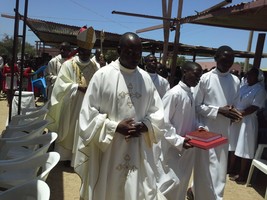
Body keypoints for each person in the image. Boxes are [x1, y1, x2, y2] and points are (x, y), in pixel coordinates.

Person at [74, 32, 173, 200]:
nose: (134, 56)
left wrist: (145, 126)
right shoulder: (102, 76)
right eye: (129, 51)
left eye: (138, 52)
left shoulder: (145, 79)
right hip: (109, 148)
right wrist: (115, 127)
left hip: (137, 146)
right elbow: (87, 115)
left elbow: (157, 112)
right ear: (119, 50)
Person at [192, 45, 243, 200]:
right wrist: (218, 111)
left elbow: (234, 104)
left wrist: (234, 113)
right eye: (224, 59)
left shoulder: (235, 80)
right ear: (216, 58)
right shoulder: (205, 79)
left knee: (220, 170)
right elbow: (196, 106)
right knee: (205, 169)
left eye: (231, 60)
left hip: (224, 131)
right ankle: (199, 195)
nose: (227, 63)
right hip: (206, 130)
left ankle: (216, 197)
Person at [46, 26, 98, 166]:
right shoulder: (69, 64)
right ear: (78, 50)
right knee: (69, 129)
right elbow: (60, 84)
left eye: (88, 51)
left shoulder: (95, 66)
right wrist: (76, 86)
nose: (86, 54)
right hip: (72, 103)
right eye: (83, 51)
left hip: (88, 103)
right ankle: (66, 157)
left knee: (84, 129)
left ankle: (80, 158)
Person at [161, 61, 203, 200]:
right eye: (196, 75)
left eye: (199, 77)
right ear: (185, 72)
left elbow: (191, 118)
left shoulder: (190, 93)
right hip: (173, 148)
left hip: (188, 147)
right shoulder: (173, 94)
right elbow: (163, 123)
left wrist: (199, 127)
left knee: (183, 181)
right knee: (170, 183)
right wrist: (179, 141)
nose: (198, 79)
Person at [228, 67, 267, 183]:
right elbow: (236, 101)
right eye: (247, 75)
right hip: (237, 118)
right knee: (234, 144)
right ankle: (231, 168)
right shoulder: (243, 87)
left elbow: (254, 107)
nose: (248, 77)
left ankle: (242, 174)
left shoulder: (260, 90)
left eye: (251, 75)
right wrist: (234, 113)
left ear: (257, 77)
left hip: (248, 121)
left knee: (245, 147)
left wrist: (238, 114)